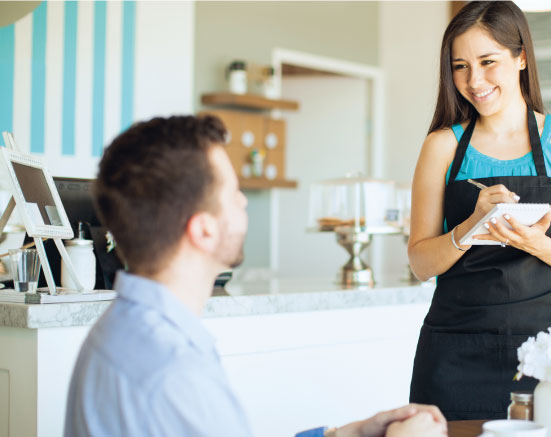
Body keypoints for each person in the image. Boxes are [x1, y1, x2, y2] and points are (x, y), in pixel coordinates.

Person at [65, 115, 447, 437]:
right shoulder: (172, 371)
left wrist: (346, 434)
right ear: (203, 231)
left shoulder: (123, 331)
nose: (244, 201)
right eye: (233, 194)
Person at [407, 1, 551, 420]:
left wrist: (536, 243)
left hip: (546, 351)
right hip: (452, 351)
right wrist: (470, 227)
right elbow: (421, 263)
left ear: (521, 58)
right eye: (460, 66)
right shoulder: (441, 146)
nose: (474, 80)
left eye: (488, 62)